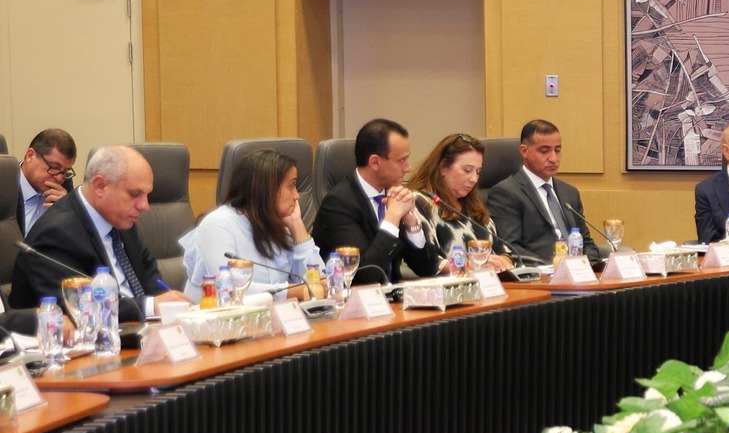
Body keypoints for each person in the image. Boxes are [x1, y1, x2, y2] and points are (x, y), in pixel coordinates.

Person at [8, 145, 188, 321]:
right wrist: (149, 306)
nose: (144, 206)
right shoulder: (55, 234)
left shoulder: (120, 218)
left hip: (139, 329)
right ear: (100, 186)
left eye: (147, 195)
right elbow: (77, 309)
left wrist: (169, 303)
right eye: (135, 194)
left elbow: (149, 275)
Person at [179, 148, 322, 299]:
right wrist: (295, 291)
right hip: (216, 313)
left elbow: (322, 284)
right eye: (292, 186)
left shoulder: (278, 226)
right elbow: (229, 288)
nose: (297, 195)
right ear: (267, 189)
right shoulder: (217, 224)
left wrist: (297, 227)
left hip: (271, 312)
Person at [311, 119, 441, 283]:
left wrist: (412, 225)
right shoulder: (338, 204)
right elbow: (365, 275)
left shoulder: (393, 195)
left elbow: (428, 268)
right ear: (375, 162)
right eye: (401, 160)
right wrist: (392, 218)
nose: (408, 168)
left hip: (394, 295)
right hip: (352, 297)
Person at [486, 119, 609, 264]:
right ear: (524, 151)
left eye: (557, 150)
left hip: (578, 271)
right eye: (544, 151)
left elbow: (586, 242)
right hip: (541, 272)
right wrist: (557, 265)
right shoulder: (506, 193)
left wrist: (590, 265)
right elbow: (512, 249)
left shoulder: (569, 192)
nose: (553, 159)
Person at [405, 133, 513, 273]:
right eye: (467, 170)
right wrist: (470, 265)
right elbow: (428, 262)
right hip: (448, 285)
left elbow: (506, 252)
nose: (474, 179)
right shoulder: (419, 202)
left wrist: (504, 262)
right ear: (443, 167)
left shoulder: (473, 206)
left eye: (478, 172)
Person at [15, 128, 76, 235]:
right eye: (54, 167)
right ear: (30, 156)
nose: (59, 178)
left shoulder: (65, 187)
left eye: (65, 171)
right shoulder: (5, 184)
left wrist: (69, 213)